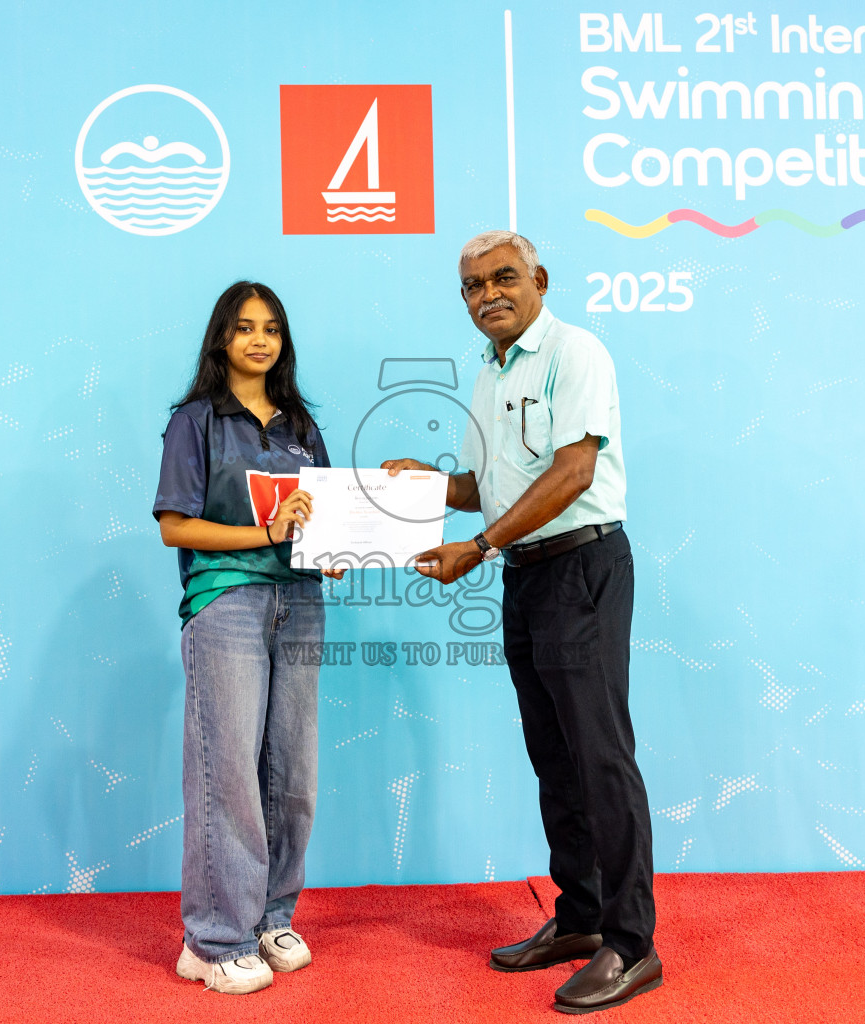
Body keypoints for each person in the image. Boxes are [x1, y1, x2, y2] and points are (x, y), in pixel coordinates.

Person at [383, 231, 660, 1014]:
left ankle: (632, 944)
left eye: (503, 277)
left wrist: (476, 547)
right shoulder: (487, 372)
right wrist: (429, 489)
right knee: (555, 758)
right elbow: (491, 486)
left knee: (601, 757)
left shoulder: (577, 353)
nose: (488, 294)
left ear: (540, 278)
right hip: (526, 576)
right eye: (472, 286)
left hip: (582, 569)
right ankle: (578, 919)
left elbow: (574, 471)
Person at [153, 281, 342, 995]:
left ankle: (270, 915)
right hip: (227, 600)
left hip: (300, 602)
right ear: (221, 340)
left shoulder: (301, 423)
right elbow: (175, 524)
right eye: (244, 328)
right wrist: (265, 533)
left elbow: (323, 516)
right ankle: (212, 938)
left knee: (291, 774)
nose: (259, 340)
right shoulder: (195, 421)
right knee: (227, 770)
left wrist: (348, 545)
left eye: (271, 329)